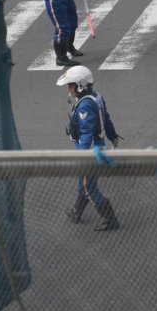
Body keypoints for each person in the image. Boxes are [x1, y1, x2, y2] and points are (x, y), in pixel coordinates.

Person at [58, 64, 120, 231]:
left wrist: (83, 155)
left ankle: (110, 219)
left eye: (70, 85)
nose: (69, 89)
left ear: (80, 85)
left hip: (91, 151)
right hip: (96, 147)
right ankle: (77, 212)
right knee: (85, 182)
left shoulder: (85, 105)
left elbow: (87, 133)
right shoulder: (96, 97)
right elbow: (106, 120)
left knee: (88, 187)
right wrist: (112, 136)